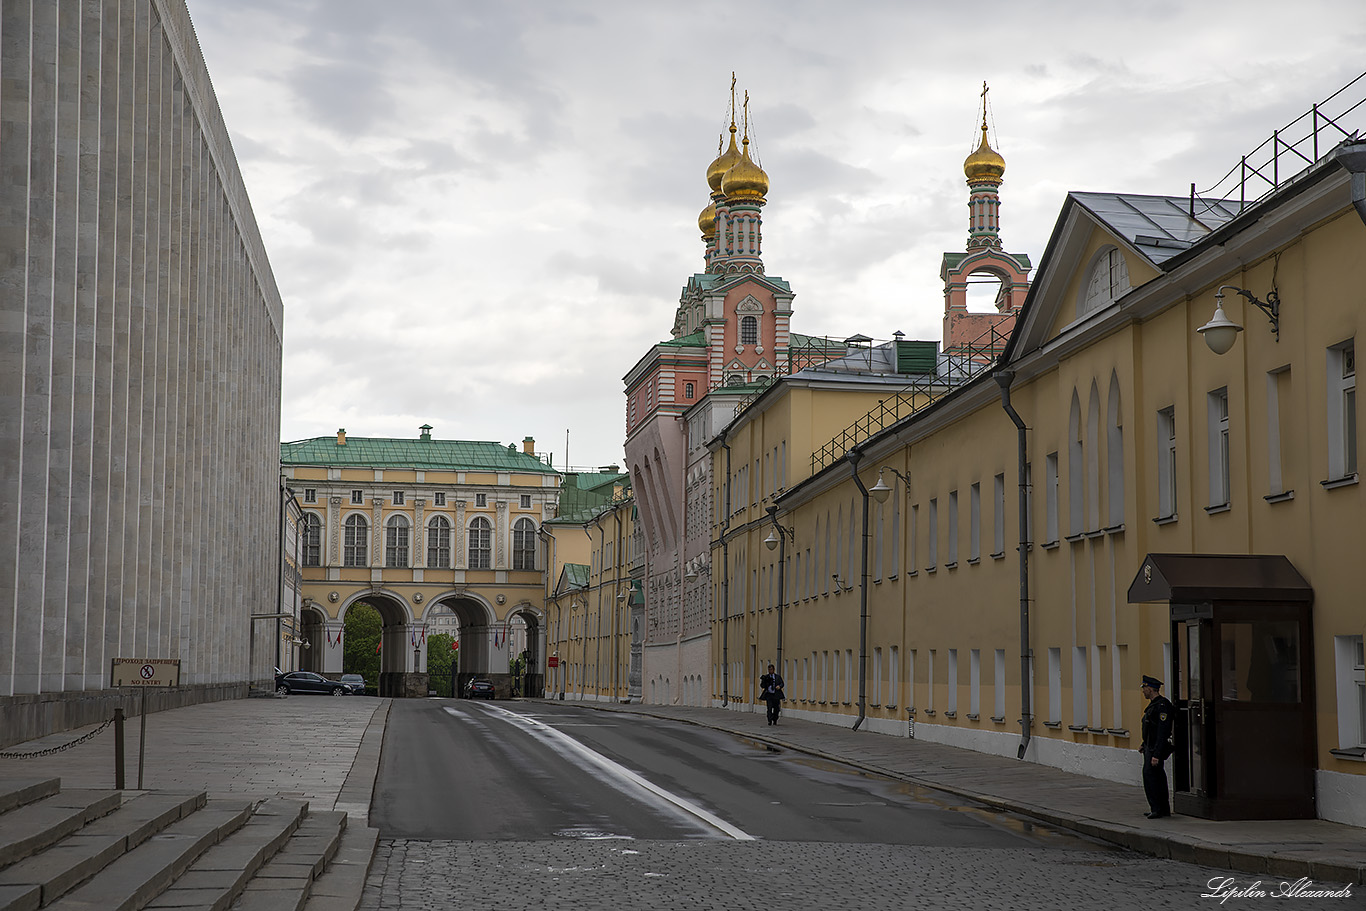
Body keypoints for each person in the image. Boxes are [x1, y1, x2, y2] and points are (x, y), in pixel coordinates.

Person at [1139, 674, 1174, 819]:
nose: (1143, 691)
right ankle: (1157, 807)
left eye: (1144, 688)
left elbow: (1162, 732)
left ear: (1151, 689)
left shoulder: (1162, 706)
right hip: (1150, 747)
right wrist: (1143, 744)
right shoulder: (1153, 705)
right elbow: (1150, 729)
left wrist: (1157, 754)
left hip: (1155, 749)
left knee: (1153, 778)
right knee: (1152, 777)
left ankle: (1159, 809)